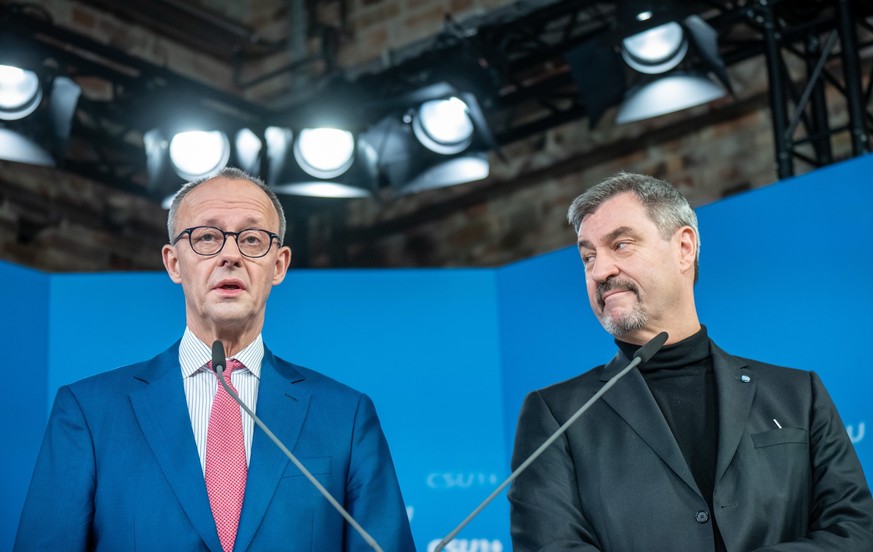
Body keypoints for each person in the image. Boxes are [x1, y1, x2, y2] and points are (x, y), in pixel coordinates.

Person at [14, 167, 415, 552]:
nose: (230, 255)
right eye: (207, 237)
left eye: (253, 239)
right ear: (174, 263)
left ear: (278, 265)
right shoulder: (89, 411)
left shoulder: (344, 415)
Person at [508, 172, 873, 551]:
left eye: (621, 245)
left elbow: (855, 533)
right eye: (588, 257)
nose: (600, 271)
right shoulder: (558, 416)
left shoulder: (799, 395)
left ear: (684, 247)